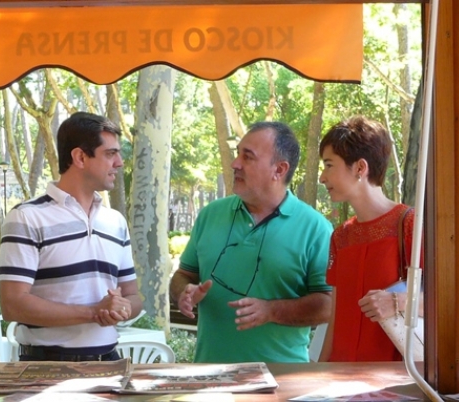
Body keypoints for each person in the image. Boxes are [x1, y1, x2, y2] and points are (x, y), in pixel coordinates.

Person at [169, 121, 333, 363]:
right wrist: (184, 291)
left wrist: (271, 311)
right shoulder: (210, 214)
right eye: (237, 155)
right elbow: (183, 274)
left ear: (279, 169)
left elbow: (328, 306)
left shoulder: (316, 228)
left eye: (248, 157)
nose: (235, 164)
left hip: (281, 382)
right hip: (210, 377)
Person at [0, 111, 143, 362]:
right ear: (80, 157)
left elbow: (133, 296)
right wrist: (92, 312)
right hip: (45, 367)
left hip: (109, 361)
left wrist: (123, 308)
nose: (119, 162)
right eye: (110, 153)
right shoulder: (26, 218)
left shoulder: (116, 222)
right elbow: (12, 305)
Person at [317, 116, 423, 362]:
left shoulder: (411, 225)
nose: (322, 177)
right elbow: (336, 318)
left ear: (360, 168)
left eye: (329, 165)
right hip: (341, 383)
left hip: (394, 384)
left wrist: (397, 301)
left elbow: (449, 307)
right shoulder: (341, 236)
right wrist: (321, 372)